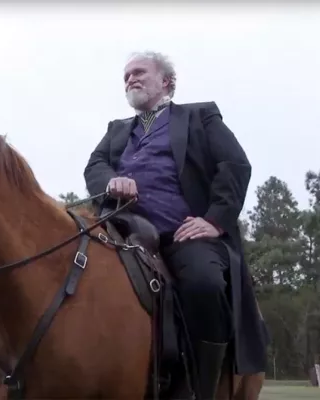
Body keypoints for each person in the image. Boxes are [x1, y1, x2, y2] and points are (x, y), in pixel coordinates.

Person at [83, 51, 268, 399]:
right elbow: (94, 166)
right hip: (122, 231)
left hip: (182, 234)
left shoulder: (200, 116)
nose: (130, 80)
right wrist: (111, 181)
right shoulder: (118, 130)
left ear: (166, 82)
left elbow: (235, 165)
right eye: (126, 76)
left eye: (139, 73)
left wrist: (214, 221)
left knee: (205, 282)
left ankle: (203, 388)